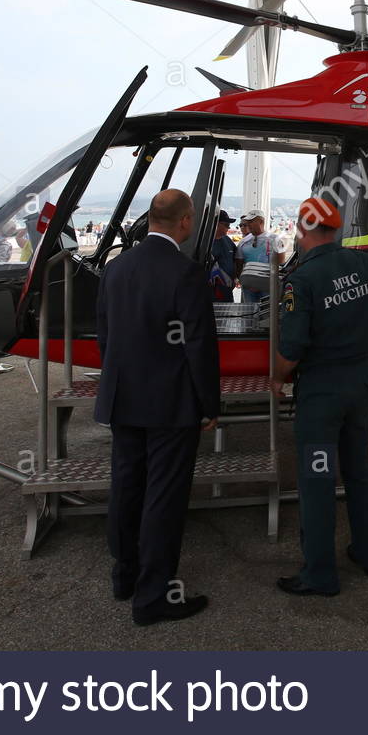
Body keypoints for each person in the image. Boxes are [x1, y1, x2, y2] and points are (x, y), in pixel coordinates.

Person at [272, 197, 368, 596]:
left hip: (321, 396)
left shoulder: (301, 279)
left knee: (317, 480)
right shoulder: (365, 263)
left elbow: (292, 348)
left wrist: (276, 379)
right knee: (358, 472)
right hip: (359, 386)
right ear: (335, 229)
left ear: (302, 229)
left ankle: (320, 575)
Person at [95, 189, 218, 627]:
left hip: (123, 397)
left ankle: (124, 576)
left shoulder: (115, 268)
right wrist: (209, 404)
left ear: (150, 219)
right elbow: (198, 345)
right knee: (163, 497)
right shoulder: (186, 273)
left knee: (127, 486)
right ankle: (153, 597)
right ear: (185, 221)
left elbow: (105, 336)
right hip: (170, 403)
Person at [236, 208, 285, 308]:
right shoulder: (243, 242)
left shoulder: (275, 239)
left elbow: (281, 264)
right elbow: (238, 265)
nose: (248, 224)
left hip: (268, 286)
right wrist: (244, 282)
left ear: (261, 221)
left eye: (251, 221)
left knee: (267, 314)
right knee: (249, 312)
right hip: (249, 287)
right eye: (247, 222)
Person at [209, 210, 237, 302]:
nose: (229, 227)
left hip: (228, 290)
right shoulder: (206, 242)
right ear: (216, 224)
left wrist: (235, 278)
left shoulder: (228, 240)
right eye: (226, 225)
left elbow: (236, 259)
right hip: (212, 292)